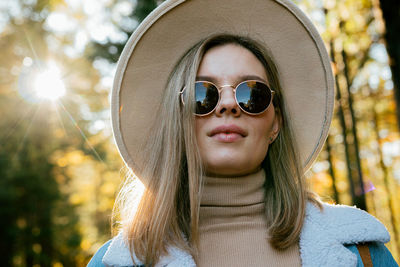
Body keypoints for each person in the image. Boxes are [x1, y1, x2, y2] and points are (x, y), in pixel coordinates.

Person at [88, 0, 398, 266]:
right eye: (203, 95)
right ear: (177, 119)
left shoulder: (361, 251)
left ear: (275, 124)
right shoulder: (116, 261)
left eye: (252, 94)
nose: (227, 105)